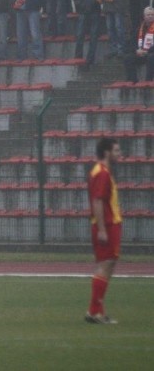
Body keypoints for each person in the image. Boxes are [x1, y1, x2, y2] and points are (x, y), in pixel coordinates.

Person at [85, 137, 123, 325]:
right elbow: (98, 201)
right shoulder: (101, 173)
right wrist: (101, 229)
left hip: (109, 224)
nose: (119, 154)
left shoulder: (101, 171)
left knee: (108, 264)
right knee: (105, 265)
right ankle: (94, 312)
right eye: (116, 151)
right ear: (107, 152)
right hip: (107, 225)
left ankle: (98, 311)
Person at [124, 6, 154, 82]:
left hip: (151, 53)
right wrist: (136, 50)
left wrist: (148, 51)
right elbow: (131, 43)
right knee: (128, 58)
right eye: (148, 15)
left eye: (152, 15)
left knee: (151, 57)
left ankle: (148, 81)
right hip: (141, 53)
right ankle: (133, 81)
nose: (150, 16)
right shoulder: (139, 29)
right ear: (144, 17)